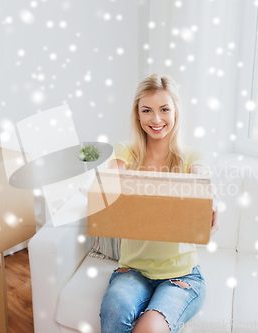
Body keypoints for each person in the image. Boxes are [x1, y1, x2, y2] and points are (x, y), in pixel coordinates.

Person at [99, 74, 220, 333]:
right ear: (138, 115)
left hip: (182, 275)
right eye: (147, 111)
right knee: (114, 312)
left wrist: (210, 202)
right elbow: (111, 187)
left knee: (150, 329)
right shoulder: (125, 152)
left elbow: (201, 183)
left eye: (164, 109)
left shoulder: (193, 156)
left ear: (175, 112)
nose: (156, 119)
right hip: (132, 270)